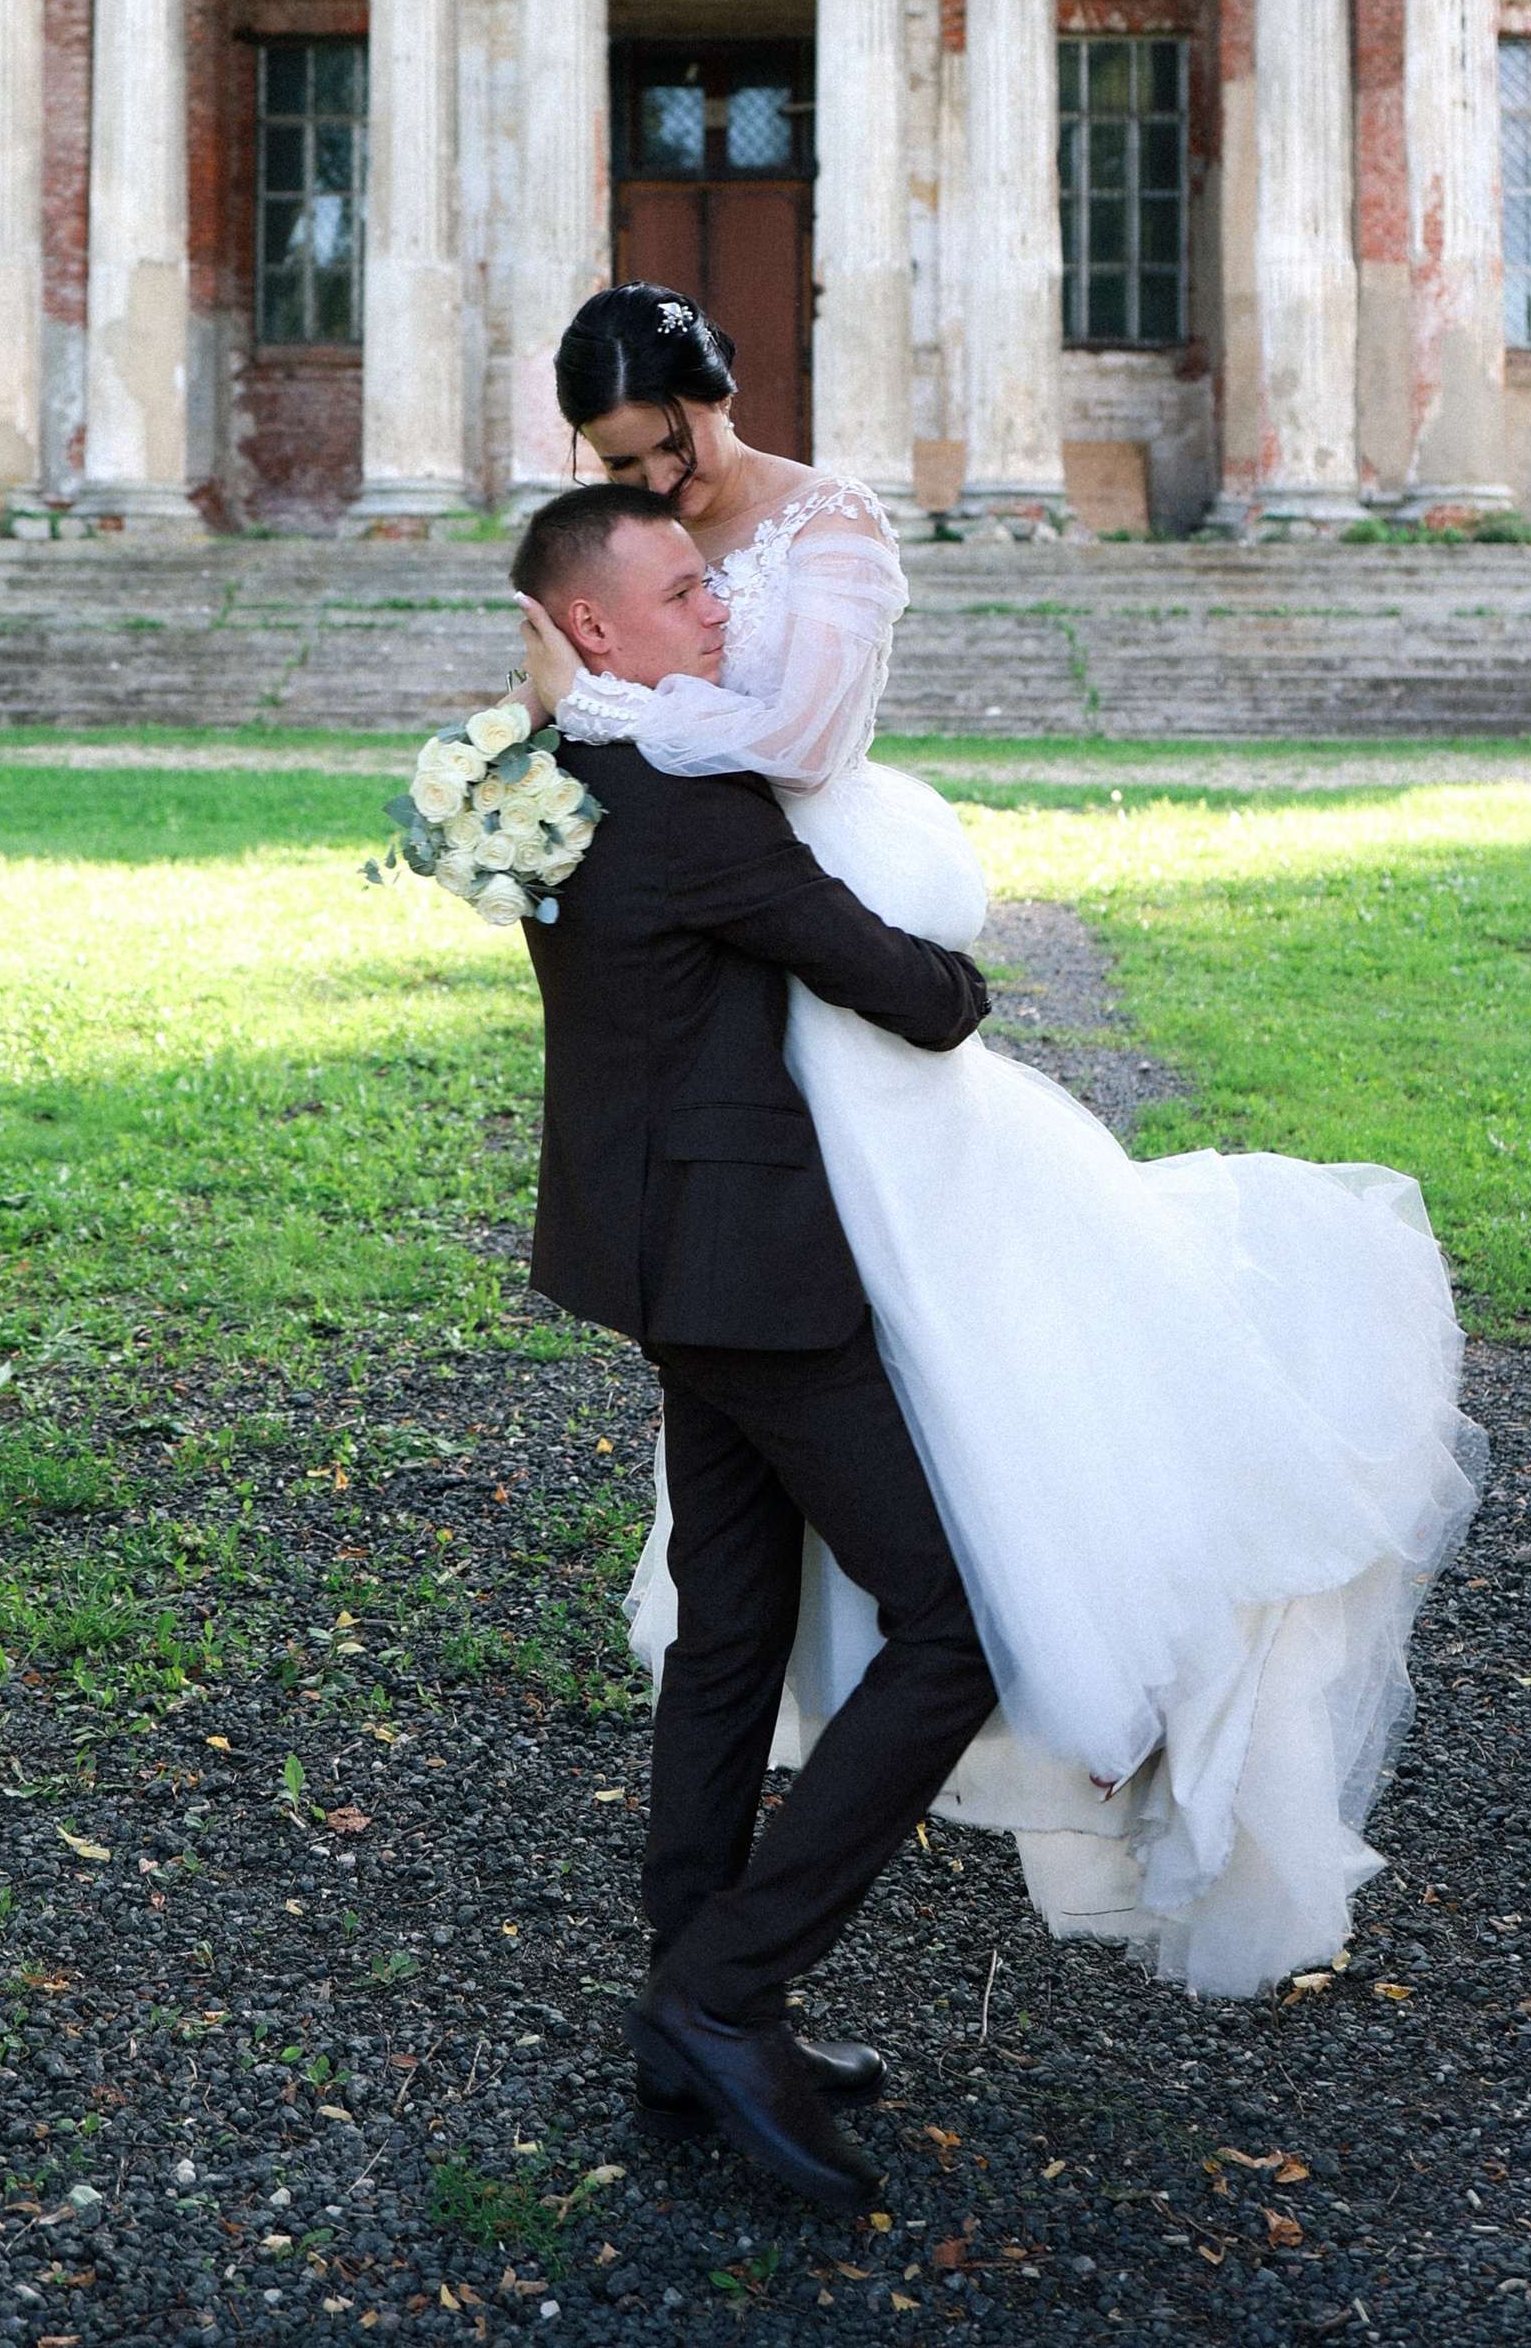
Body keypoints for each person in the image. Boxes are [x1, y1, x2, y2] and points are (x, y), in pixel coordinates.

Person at [517, 282, 1487, 2004]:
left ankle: (713, 1980)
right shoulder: (629, 643)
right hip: (746, 1075)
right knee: (825, 1576)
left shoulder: (802, 546)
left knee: (943, 1379)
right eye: (619, 465)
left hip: (793, 1020)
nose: (658, 485)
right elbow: (681, 851)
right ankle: (711, 1988)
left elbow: (800, 738)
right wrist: (587, 721)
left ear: (716, 392)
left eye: (668, 446)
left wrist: (601, 714)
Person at [508, 480, 995, 2211]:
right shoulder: (689, 802)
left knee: (731, 1628)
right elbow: (908, 988)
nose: (722, 606)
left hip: (655, 1252)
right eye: (682, 591)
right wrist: (964, 975)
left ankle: (686, 2004)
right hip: (752, 1269)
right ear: (593, 627)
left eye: (713, 580)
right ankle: (724, 1988)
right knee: (954, 1632)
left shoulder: (549, 776)